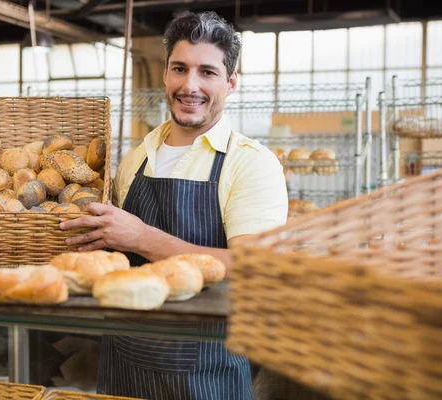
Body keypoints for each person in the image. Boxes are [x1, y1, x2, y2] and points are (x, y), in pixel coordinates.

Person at [60, 10, 288, 400]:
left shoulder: (250, 162)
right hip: (121, 363)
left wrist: (142, 237)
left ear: (231, 83)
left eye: (207, 72)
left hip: (206, 374)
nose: (190, 85)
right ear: (165, 74)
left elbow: (254, 268)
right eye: (179, 69)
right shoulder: (136, 158)